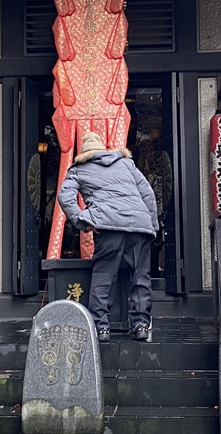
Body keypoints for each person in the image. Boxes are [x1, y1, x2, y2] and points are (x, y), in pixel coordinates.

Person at [57, 131, 160, 342]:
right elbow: (148, 194)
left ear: (84, 153)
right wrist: (152, 226)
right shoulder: (125, 164)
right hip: (139, 224)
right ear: (102, 149)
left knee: (104, 275)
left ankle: (101, 327)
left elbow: (64, 196)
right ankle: (141, 325)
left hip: (107, 225)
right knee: (140, 276)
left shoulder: (78, 169)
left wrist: (82, 220)